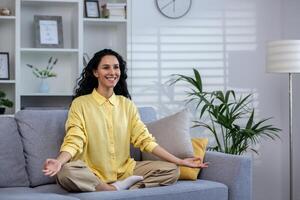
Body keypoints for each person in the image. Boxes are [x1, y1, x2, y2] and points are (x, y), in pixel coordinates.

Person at [43, 49, 209, 192]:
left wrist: (180, 161)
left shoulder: (127, 105)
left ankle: (122, 185)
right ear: (96, 72)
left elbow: (145, 140)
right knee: (66, 173)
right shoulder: (80, 104)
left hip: (125, 170)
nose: (112, 72)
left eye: (116, 67)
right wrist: (58, 162)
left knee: (172, 171)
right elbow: (75, 140)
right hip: (91, 172)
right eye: (106, 67)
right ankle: (113, 189)